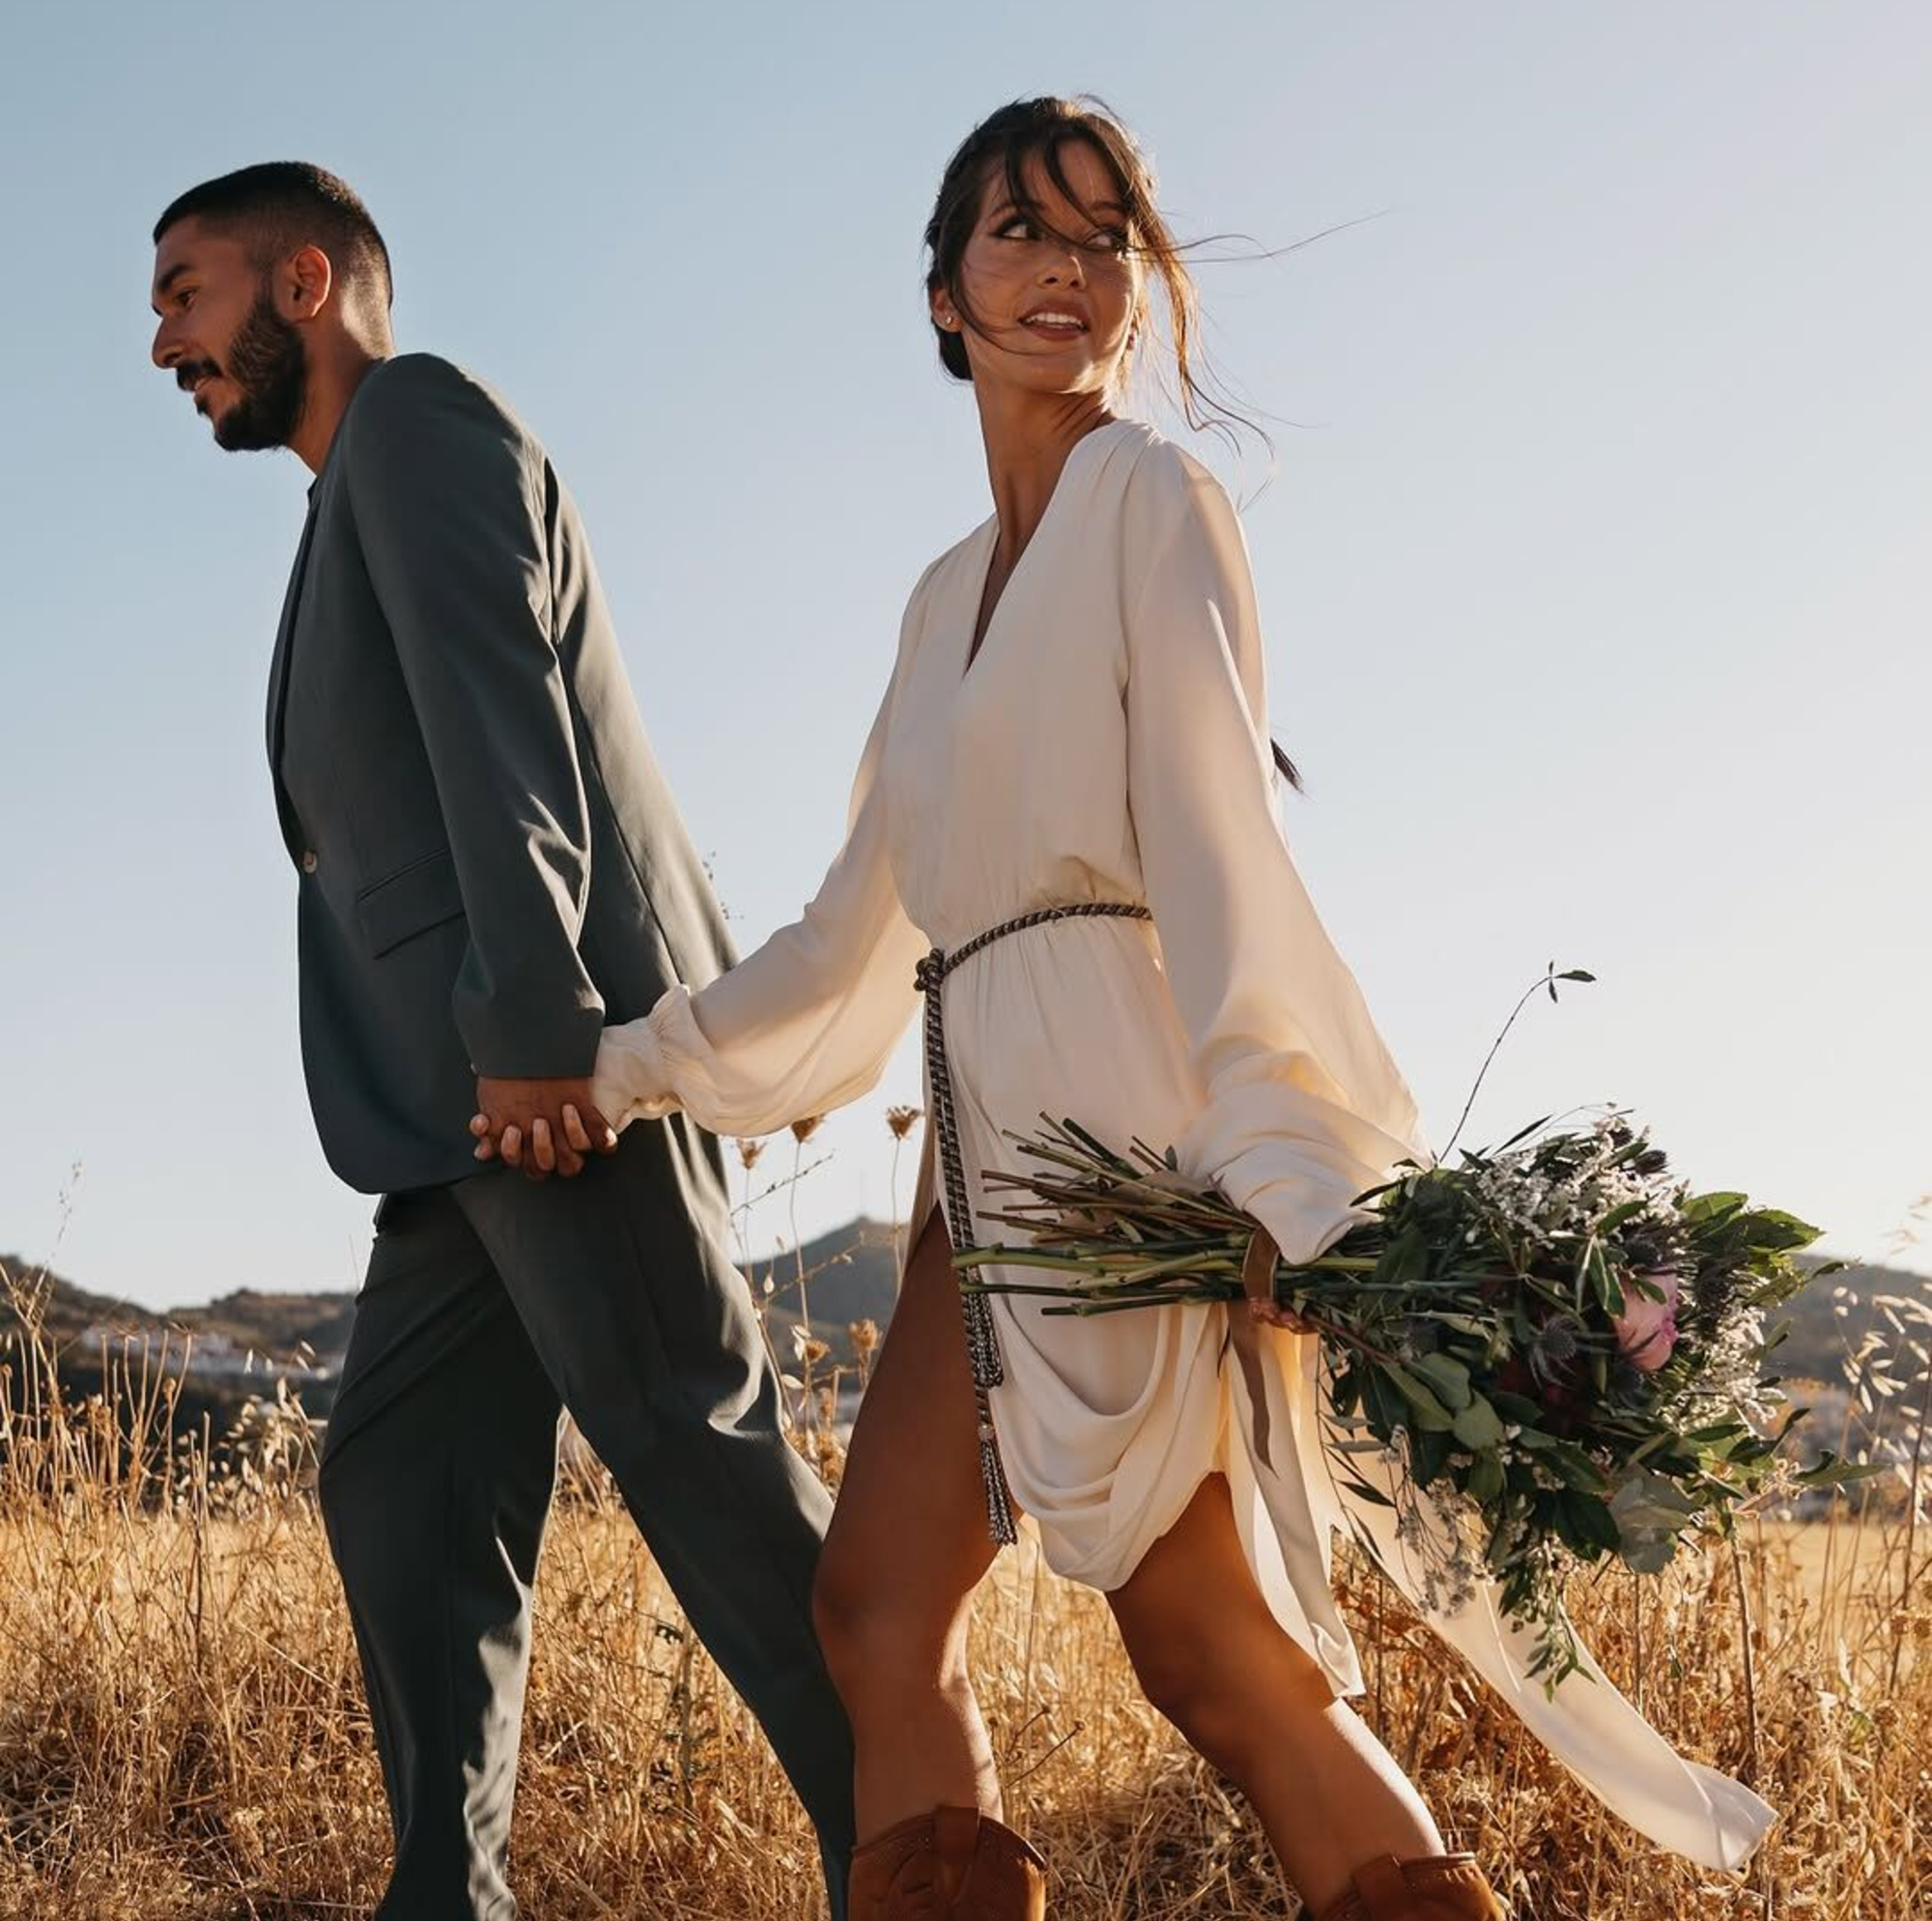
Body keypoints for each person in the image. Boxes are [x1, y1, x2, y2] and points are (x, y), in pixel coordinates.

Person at [474, 98, 1776, 1921]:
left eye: (1104, 238)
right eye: (1022, 232)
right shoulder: (938, 605)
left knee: (1210, 1657)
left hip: (1124, 1131)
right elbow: (853, 936)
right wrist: (613, 1078)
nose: (1066, 273)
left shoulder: (1152, 501)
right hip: (978, 1153)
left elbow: (1221, 834)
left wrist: (1269, 1153)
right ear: (943, 292)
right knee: (875, 1612)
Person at [148, 162, 857, 1920]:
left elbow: (501, 720)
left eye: (186, 294)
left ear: (302, 282)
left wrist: (539, 1034)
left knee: (710, 1478)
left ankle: (918, 1848)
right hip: (459, 1115)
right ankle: (445, 1902)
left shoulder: (415, 426)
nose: (164, 341)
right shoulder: (346, 501)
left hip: (544, 1083)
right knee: (399, 1473)